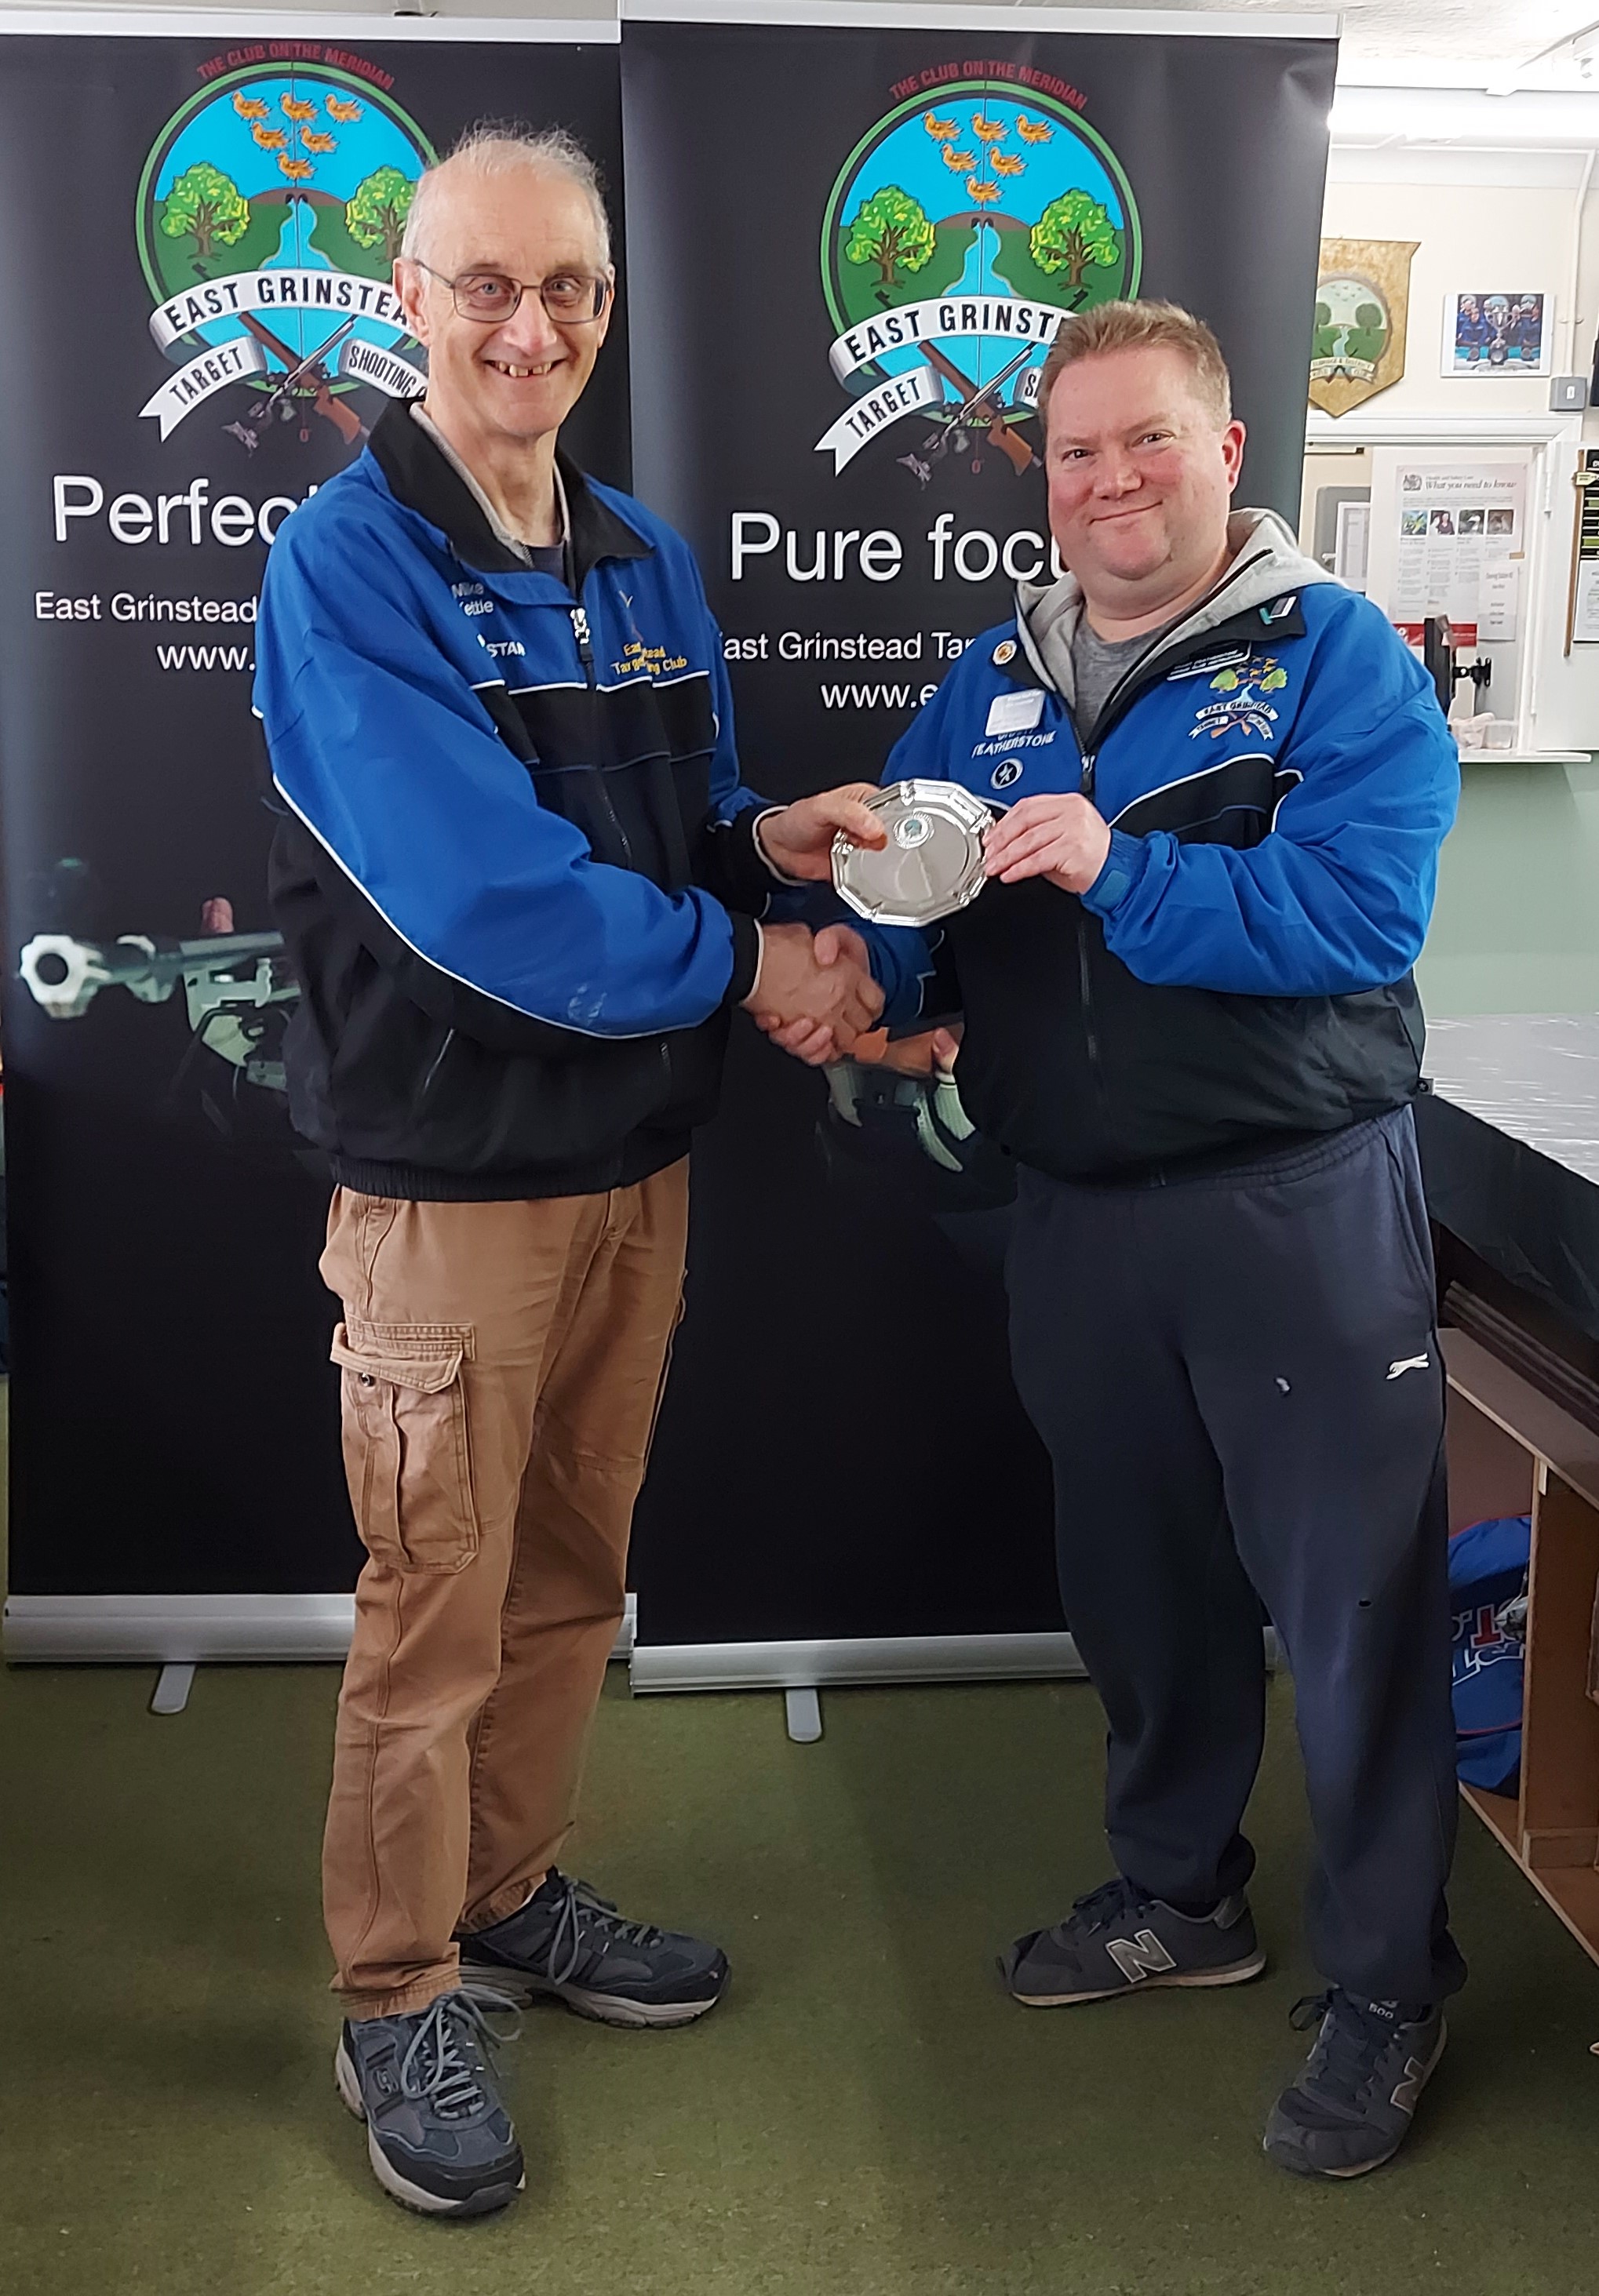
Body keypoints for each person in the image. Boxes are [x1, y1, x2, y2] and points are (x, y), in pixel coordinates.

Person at [254, 125, 884, 2218]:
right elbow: (482, 907)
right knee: (431, 1612)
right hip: (448, 1192)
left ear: (605, 309)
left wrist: (768, 850)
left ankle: (508, 1893)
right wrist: (759, 965)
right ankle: (395, 1987)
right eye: (488, 287)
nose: (530, 329)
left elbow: (673, 828)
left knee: (562, 1581)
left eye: (568, 291)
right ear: (410, 303)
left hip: (633, 1164)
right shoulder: (347, 562)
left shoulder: (638, 559)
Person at [765, 299, 1462, 2179]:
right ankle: (1178, 1894)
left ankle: (1388, 1983)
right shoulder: (989, 679)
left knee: (1354, 1615)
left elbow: (1357, 917)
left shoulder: (1336, 659)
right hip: (1075, 1217)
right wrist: (859, 972)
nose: (1108, 479)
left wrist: (1113, 860)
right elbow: (912, 891)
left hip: (1293, 1210)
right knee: (1140, 1594)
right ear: (1043, 477)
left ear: (1225, 451)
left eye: (1146, 439)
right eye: (1074, 450)